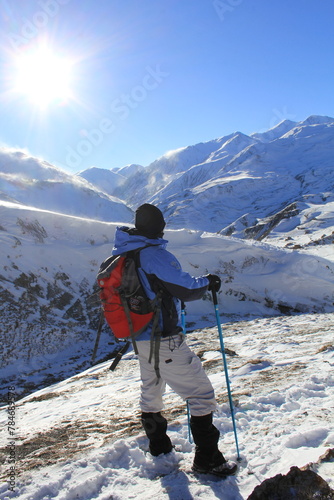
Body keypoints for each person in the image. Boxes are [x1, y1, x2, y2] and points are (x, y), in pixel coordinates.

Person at [111, 203, 237, 476]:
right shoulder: (153, 254)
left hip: (141, 337)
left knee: (152, 390)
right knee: (201, 394)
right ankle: (208, 459)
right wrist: (208, 282)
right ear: (159, 226)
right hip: (164, 338)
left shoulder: (125, 251)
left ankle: (159, 448)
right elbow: (186, 288)